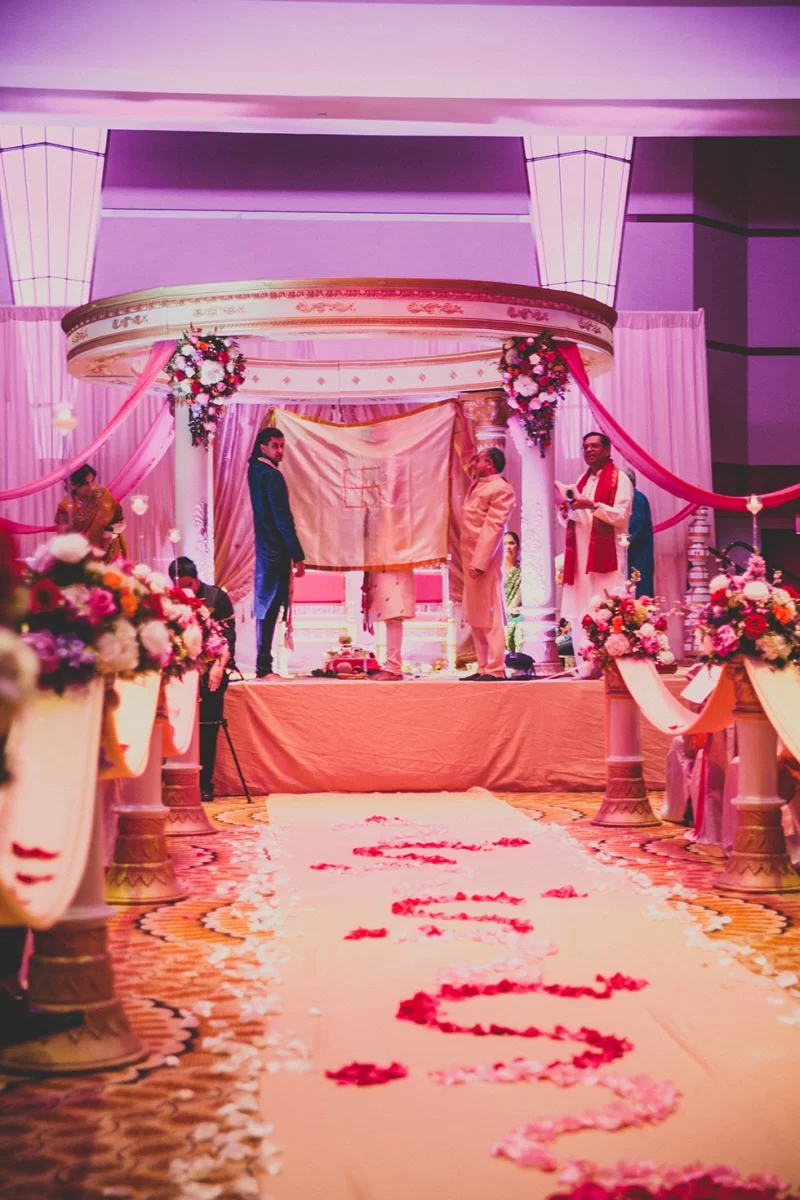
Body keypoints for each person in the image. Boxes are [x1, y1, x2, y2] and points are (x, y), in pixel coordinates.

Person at [558, 431, 633, 675]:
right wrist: (566, 511)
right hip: (580, 556)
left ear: (607, 450)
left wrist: (592, 505)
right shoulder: (581, 480)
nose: (589, 450)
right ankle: (586, 667)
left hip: (605, 555)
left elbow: (621, 516)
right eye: (585, 447)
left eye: (594, 446)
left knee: (605, 606)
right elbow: (578, 519)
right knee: (581, 608)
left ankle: (610, 667)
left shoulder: (620, 479)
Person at [168, 556, 236, 801]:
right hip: (180, 674)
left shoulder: (216, 597)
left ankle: (204, 783)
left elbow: (228, 638)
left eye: (189, 585)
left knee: (208, 726)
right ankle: (174, 782)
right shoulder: (169, 603)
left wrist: (218, 666)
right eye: (180, 587)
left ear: (197, 580)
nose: (185, 591)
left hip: (211, 669)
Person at [247, 427, 305, 679]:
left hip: (264, 547)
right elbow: (283, 519)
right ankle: (264, 668)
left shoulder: (254, 470)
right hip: (276, 550)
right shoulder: (271, 475)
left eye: (282, 446)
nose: (280, 451)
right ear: (263, 447)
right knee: (270, 608)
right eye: (275, 446)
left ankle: (263, 666)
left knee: (266, 607)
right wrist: (297, 554)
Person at [460, 447, 516, 681]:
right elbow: (468, 464)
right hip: (469, 558)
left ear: (490, 463)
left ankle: (496, 668)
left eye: (480, 460)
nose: (475, 463)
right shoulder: (479, 484)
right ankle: (482, 666)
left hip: (485, 561)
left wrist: (480, 561)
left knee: (491, 615)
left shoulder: (501, 489)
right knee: (476, 615)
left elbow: (494, 527)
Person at [55, 463, 128, 562]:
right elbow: (64, 539)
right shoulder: (65, 507)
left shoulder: (103, 494)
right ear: (73, 485)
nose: (91, 486)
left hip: (112, 555)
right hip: (83, 560)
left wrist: (109, 529)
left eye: (92, 481)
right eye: (86, 483)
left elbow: (122, 523)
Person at [364, 568, 415, 681]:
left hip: (395, 565)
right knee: (390, 613)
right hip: (382, 564)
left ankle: (393, 668)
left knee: (394, 613)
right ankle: (392, 667)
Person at [622, 466, 655, 598]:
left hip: (637, 555)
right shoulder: (634, 497)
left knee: (639, 594)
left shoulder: (635, 498)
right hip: (635, 554)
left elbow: (634, 525)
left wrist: (619, 541)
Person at [503, 531, 523, 653]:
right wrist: (505, 609)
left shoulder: (523, 571)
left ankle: (519, 661)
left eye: (511, 543)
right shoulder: (496, 571)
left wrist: (518, 609)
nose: (507, 547)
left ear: (518, 547)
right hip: (499, 612)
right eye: (504, 544)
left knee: (520, 626)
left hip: (519, 613)